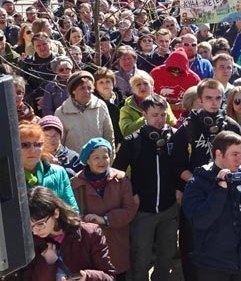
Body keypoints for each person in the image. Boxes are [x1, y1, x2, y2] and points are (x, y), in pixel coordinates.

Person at [171, 79, 241, 281]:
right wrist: (198, 182)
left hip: (226, 192)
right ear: (200, 100)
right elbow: (176, 166)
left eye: (218, 98)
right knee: (192, 245)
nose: (214, 102)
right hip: (197, 195)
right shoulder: (187, 128)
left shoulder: (231, 126)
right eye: (208, 98)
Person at [183, 131, 241, 281]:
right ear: (219, 153)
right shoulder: (198, 183)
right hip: (212, 265)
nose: (240, 160)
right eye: (235, 154)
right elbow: (199, 220)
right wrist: (220, 189)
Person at [113, 95, 180, 281]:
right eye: (154, 115)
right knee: (140, 257)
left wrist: (179, 188)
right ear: (145, 115)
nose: (159, 119)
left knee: (166, 255)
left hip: (169, 208)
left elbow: (183, 166)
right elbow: (116, 173)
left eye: (163, 115)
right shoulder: (132, 141)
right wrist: (131, 195)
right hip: (142, 211)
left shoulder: (174, 137)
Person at [71, 138, 138, 281]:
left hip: (117, 241)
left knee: (118, 275)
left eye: (105, 157)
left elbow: (129, 210)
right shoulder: (76, 184)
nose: (102, 161)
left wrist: (105, 219)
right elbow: (72, 214)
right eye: (96, 158)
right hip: (91, 245)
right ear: (87, 160)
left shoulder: (121, 179)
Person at [21, 186, 115, 281]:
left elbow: (109, 277)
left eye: (40, 224)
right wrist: (48, 264)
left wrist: (87, 276)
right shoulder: (31, 243)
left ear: (56, 213)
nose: (35, 231)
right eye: (30, 226)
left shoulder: (89, 233)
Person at [20, 121, 79, 212]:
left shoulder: (59, 173)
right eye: (25, 145)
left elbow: (72, 212)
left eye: (38, 144)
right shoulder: (7, 178)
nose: (33, 150)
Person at [55, 71, 115, 158]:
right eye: (82, 88)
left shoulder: (100, 106)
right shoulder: (61, 112)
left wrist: (110, 159)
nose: (86, 91)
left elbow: (109, 136)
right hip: (72, 165)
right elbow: (59, 144)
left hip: (98, 163)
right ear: (73, 91)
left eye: (89, 88)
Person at [118, 70, 177, 137]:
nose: (142, 87)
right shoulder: (126, 109)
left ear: (152, 87)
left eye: (145, 83)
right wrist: (147, 117)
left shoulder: (162, 103)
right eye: (138, 84)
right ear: (133, 89)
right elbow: (126, 132)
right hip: (138, 144)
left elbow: (172, 123)